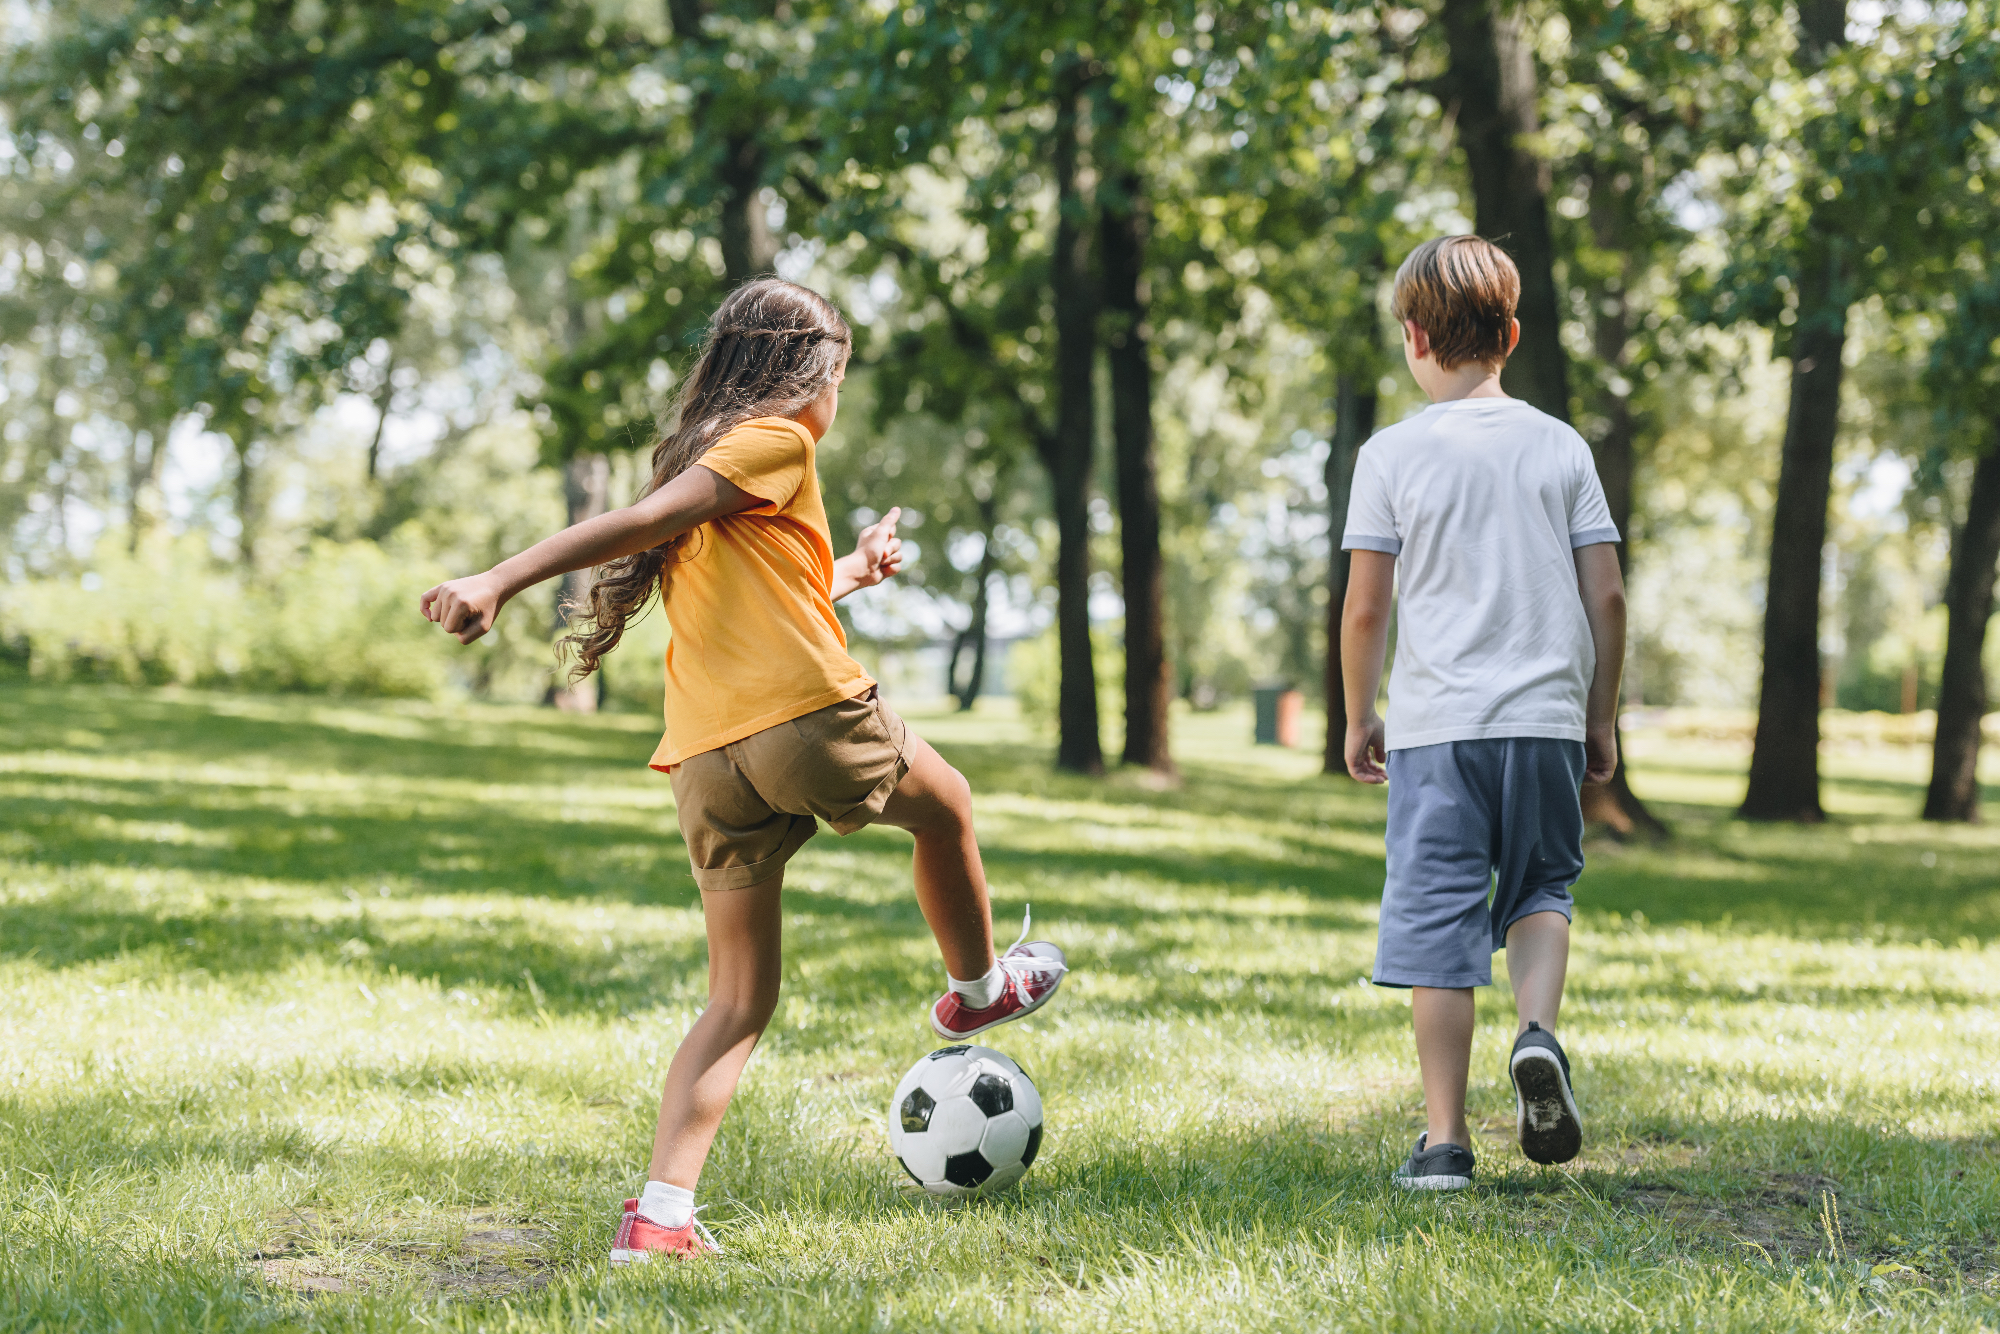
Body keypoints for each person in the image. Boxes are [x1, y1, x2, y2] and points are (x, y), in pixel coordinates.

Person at [419, 278, 1068, 1260]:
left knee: (736, 996)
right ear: (807, 373)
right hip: (804, 719)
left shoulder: (719, 456)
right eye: (838, 376)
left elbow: (775, 588)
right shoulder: (780, 440)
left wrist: (850, 568)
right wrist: (499, 578)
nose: (835, 401)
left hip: (709, 758)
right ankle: (976, 990)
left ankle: (660, 1217)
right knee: (947, 804)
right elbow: (634, 524)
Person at [1339, 236, 1626, 1190]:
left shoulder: (1390, 455)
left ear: (1415, 339)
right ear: (1511, 333)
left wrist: (1357, 714)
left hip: (1436, 731)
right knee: (1542, 888)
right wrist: (1601, 716)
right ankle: (1536, 1034)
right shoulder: (1561, 444)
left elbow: (1367, 606)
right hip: (1545, 720)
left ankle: (1446, 1141)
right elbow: (1609, 598)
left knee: (1438, 928)